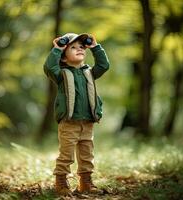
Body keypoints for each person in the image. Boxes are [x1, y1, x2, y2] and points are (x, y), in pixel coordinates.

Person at [43, 32, 110, 196]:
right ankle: (61, 182)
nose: (79, 49)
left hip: (87, 122)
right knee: (66, 155)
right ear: (64, 58)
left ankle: (86, 183)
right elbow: (49, 67)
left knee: (87, 155)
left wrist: (95, 47)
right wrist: (58, 48)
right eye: (73, 47)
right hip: (69, 123)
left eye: (81, 46)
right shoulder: (61, 75)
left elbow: (104, 65)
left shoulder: (90, 73)